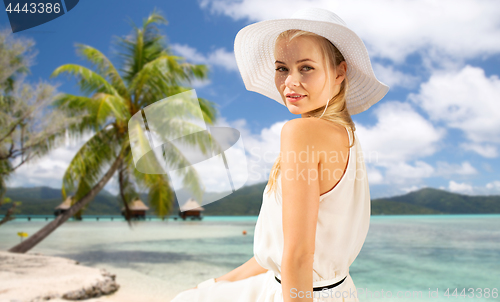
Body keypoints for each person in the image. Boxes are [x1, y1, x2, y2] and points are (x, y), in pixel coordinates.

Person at [170, 7, 389, 302]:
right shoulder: (348, 137)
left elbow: (299, 256)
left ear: (340, 71)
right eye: (282, 68)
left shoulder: (301, 133)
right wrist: (214, 283)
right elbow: (277, 253)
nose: (290, 82)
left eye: (306, 68)